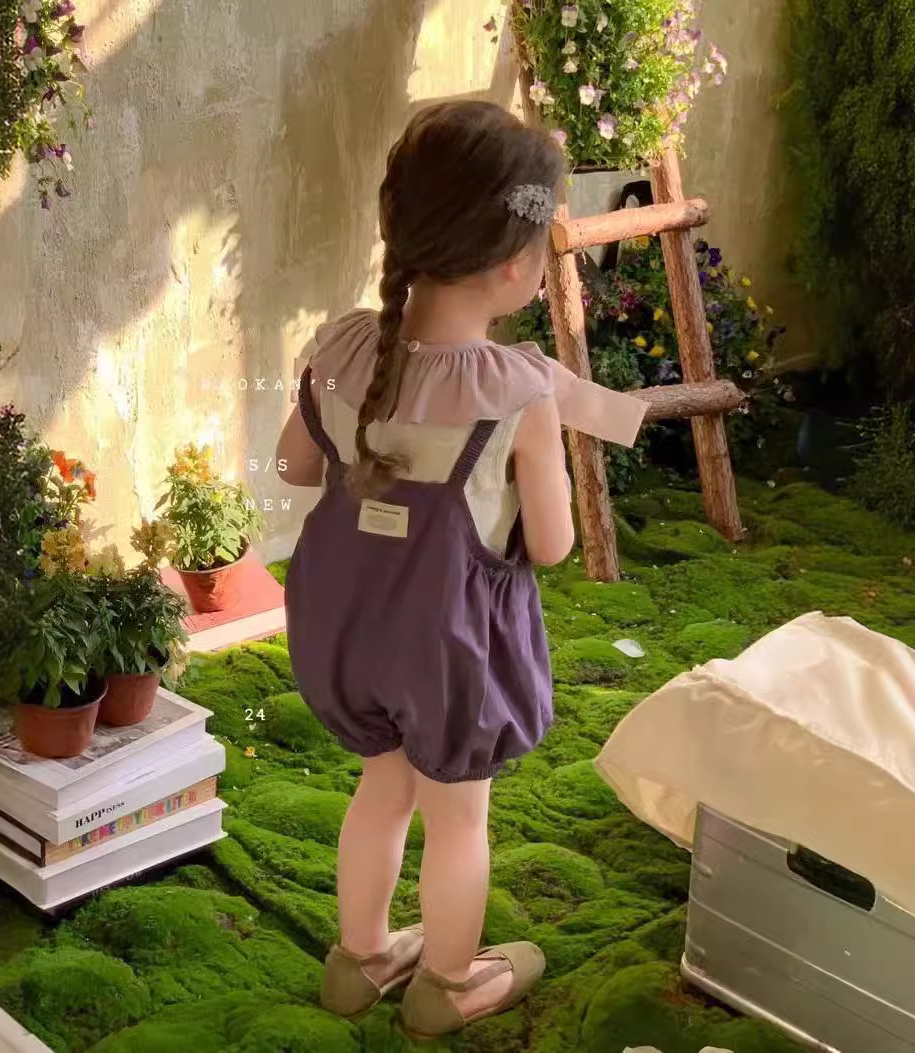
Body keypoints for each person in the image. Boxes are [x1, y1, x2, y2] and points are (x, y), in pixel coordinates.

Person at [276, 101, 646, 1038]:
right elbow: (552, 545)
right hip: (448, 648)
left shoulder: (342, 346)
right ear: (515, 266)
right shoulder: (514, 389)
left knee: (382, 784)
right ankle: (446, 980)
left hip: (346, 627)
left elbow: (292, 464)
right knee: (457, 817)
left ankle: (358, 958)